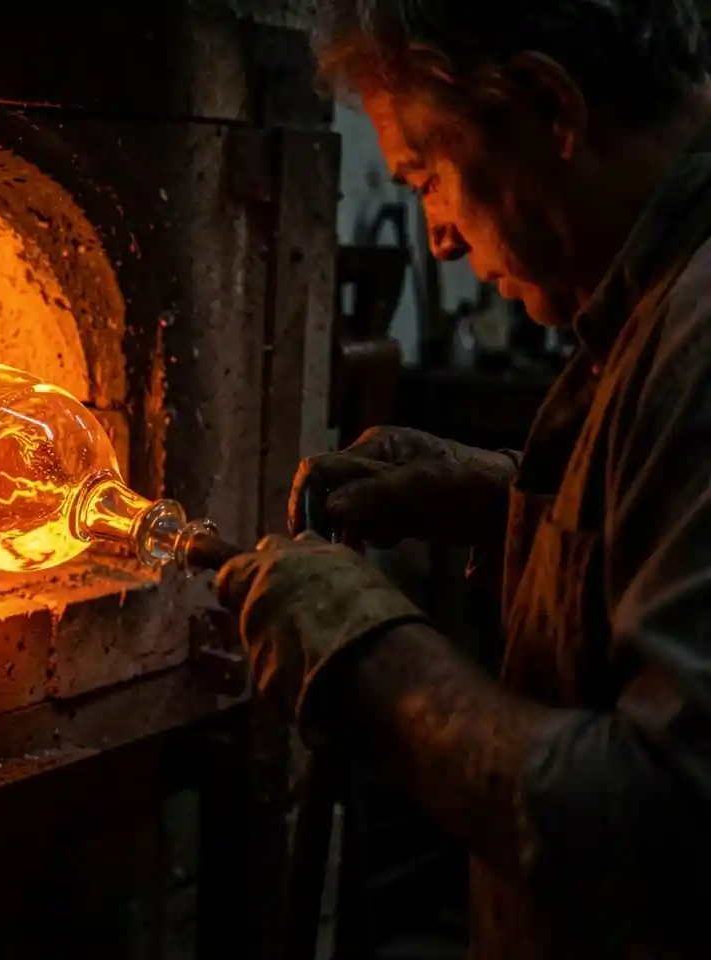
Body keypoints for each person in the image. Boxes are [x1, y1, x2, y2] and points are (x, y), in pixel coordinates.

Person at [214, 2, 711, 958]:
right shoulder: (656, 298)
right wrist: (511, 502)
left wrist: (368, 657)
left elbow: (660, 827)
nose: (437, 238)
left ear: (548, 108)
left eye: (428, 176)